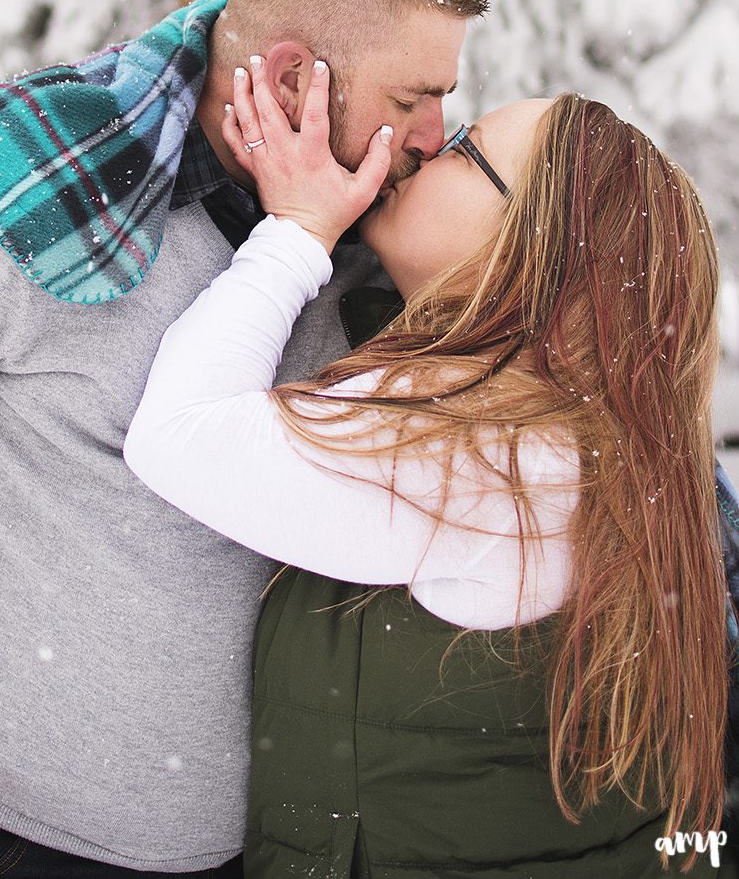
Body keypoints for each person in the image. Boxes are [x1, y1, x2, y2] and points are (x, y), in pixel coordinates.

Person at [0, 0, 491, 878]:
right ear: (286, 85)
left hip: (278, 849)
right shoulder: (27, 176)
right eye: (412, 100)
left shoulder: (379, 243)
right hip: (8, 846)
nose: (432, 136)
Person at [124, 56, 737, 877]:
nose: (433, 142)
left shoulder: (498, 451)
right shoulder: (588, 435)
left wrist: (298, 231)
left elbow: (180, 433)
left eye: (467, 150)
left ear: (531, 249)